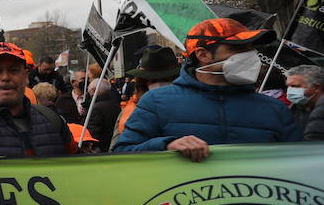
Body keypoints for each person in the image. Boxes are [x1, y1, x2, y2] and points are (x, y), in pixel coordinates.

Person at [113, 18, 301, 160]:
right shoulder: (156, 102)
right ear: (203, 54)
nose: (250, 57)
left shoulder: (275, 109)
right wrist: (167, 144)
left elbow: (301, 161)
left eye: (251, 49)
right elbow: (122, 153)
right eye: (238, 49)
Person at [111, 45, 180, 144]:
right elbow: (118, 151)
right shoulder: (129, 113)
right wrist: (165, 145)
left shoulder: (192, 104)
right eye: (153, 80)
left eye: (167, 79)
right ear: (143, 83)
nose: (160, 85)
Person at [82, 78, 122, 153]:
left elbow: (92, 132)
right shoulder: (115, 105)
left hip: (101, 149)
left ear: (94, 90)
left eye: (89, 90)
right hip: (112, 144)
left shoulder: (95, 108)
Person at [285, 65, 324, 141]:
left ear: (316, 87)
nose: (289, 90)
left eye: (295, 86)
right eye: (288, 86)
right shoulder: (289, 112)